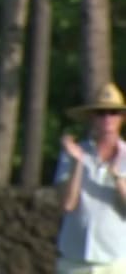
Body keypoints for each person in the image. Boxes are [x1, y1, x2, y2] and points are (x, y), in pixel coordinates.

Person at [54, 82, 126, 274]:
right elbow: (67, 204)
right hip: (75, 260)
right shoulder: (74, 153)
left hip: (115, 260)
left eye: (113, 113)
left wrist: (117, 176)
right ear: (91, 118)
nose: (107, 119)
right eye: (101, 113)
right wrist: (78, 163)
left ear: (122, 118)